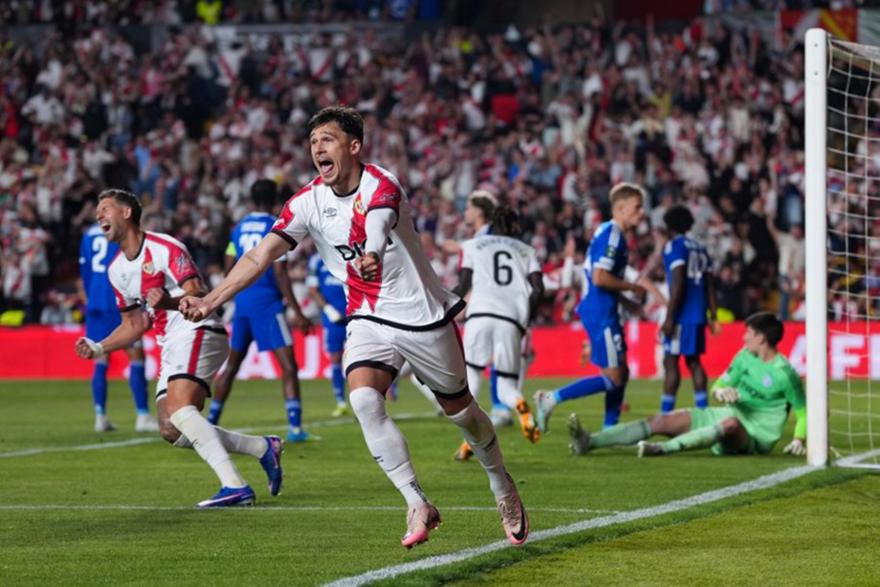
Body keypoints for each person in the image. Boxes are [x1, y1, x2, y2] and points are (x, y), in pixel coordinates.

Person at [179, 106, 528, 548]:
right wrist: (210, 300)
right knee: (363, 399)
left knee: (462, 413)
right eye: (313, 142)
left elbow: (377, 224)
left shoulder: (382, 183)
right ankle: (416, 501)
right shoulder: (306, 202)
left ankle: (501, 484)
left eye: (327, 139)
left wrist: (373, 253)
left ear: (354, 146)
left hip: (420, 314)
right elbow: (259, 255)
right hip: (365, 314)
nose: (317, 148)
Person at [74, 189, 284, 508]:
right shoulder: (117, 270)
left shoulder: (165, 248)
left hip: (198, 328)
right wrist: (99, 347)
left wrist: (169, 302)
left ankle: (235, 486)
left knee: (181, 409)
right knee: (171, 427)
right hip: (170, 343)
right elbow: (134, 324)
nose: (98, 215)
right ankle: (262, 448)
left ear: (127, 213)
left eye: (105, 209)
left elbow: (197, 292)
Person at [567, 312, 807, 458]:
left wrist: (799, 439)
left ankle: (662, 449)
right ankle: (589, 441)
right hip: (725, 414)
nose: (744, 337)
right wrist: (721, 392)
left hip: (755, 436)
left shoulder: (784, 373)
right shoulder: (744, 356)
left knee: (731, 425)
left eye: (749, 333)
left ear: (761, 338)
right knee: (660, 421)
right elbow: (719, 386)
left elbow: (803, 412)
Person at [534, 183, 647, 432]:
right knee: (614, 377)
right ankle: (551, 398)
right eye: (637, 207)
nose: (642, 213)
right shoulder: (613, 236)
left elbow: (601, 279)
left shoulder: (611, 233)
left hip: (603, 308)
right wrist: (632, 287)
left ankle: (609, 430)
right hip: (600, 312)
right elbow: (599, 278)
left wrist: (626, 301)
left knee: (621, 372)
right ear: (621, 208)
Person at [207, 179, 312, 443]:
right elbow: (280, 272)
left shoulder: (239, 227)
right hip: (267, 305)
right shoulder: (275, 226)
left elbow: (229, 265)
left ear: (252, 199)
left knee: (232, 366)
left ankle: (210, 422)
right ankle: (295, 428)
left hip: (243, 304)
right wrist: (298, 312)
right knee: (288, 366)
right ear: (275, 199)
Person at [453, 206, 544, 461]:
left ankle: (471, 440)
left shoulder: (472, 246)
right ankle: (519, 405)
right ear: (515, 227)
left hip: (480, 315)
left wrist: (443, 308)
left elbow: (464, 284)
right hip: (511, 319)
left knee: (471, 382)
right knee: (506, 386)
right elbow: (538, 289)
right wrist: (524, 319)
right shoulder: (527, 251)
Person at [78, 221, 158, 433]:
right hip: (118, 297)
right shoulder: (119, 230)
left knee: (100, 357)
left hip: (95, 300)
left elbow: (84, 270)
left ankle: (100, 416)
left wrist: (90, 296)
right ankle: (142, 415)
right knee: (136, 355)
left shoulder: (89, 234)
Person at [658, 205, 720, 414]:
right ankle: (703, 411)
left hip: (682, 314)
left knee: (671, 361)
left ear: (669, 226)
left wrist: (670, 318)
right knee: (694, 362)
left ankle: (666, 413)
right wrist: (713, 315)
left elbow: (678, 281)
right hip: (698, 313)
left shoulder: (674, 246)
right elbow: (710, 285)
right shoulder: (700, 248)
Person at [306, 252, 348, 417]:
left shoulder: (348, 254)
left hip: (355, 314)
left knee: (361, 358)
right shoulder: (316, 260)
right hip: (333, 319)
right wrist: (328, 310)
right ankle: (340, 401)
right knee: (335, 358)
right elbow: (312, 289)